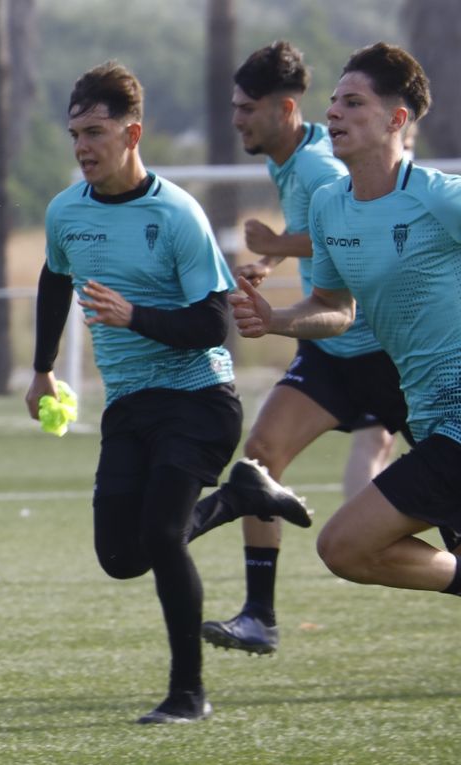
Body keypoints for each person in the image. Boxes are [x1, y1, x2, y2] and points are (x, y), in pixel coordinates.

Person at [27, 62, 311, 724]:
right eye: (74, 134)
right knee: (120, 556)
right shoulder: (67, 211)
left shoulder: (177, 214)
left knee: (160, 534)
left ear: (133, 134)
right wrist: (43, 368)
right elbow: (52, 279)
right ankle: (241, 495)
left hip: (198, 397)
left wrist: (135, 317)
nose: (82, 148)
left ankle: (188, 693)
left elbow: (215, 327)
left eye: (95, 132)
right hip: (130, 405)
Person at [230, 43, 461, 605]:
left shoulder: (440, 200)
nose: (332, 112)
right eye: (333, 101)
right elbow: (335, 307)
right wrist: (277, 319)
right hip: (430, 420)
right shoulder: (331, 206)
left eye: (353, 102)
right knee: (352, 550)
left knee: (345, 546)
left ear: (397, 120)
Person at [201, 42, 409, 656]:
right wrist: (271, 257)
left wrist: (276, 242)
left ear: (283, 109)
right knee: (261, 456)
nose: (237, 119)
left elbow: (352, 229)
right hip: (333, 350)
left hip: (388, 352)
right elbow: (323, 234)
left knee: (444, 501)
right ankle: (258, 618)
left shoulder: (319, 164)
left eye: (246, 109)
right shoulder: (289, 159)